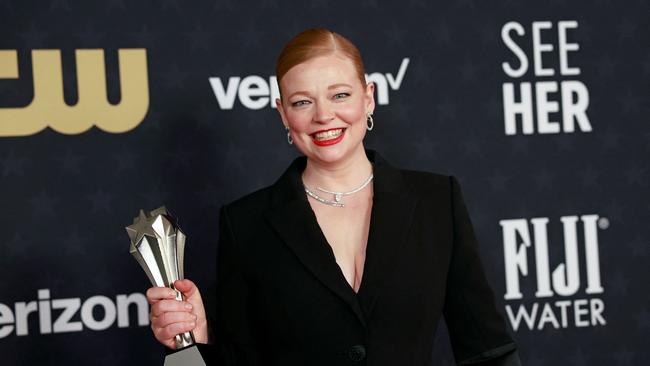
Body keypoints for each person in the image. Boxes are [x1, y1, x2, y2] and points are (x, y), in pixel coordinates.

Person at [146, 28, 521, 365]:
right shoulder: (245, 224)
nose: (324, 115)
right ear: (283, 114)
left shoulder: (437, 202)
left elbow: (487, 350)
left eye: (339, 95)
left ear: (368, 98)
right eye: (302, 102)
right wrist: (197, 342)